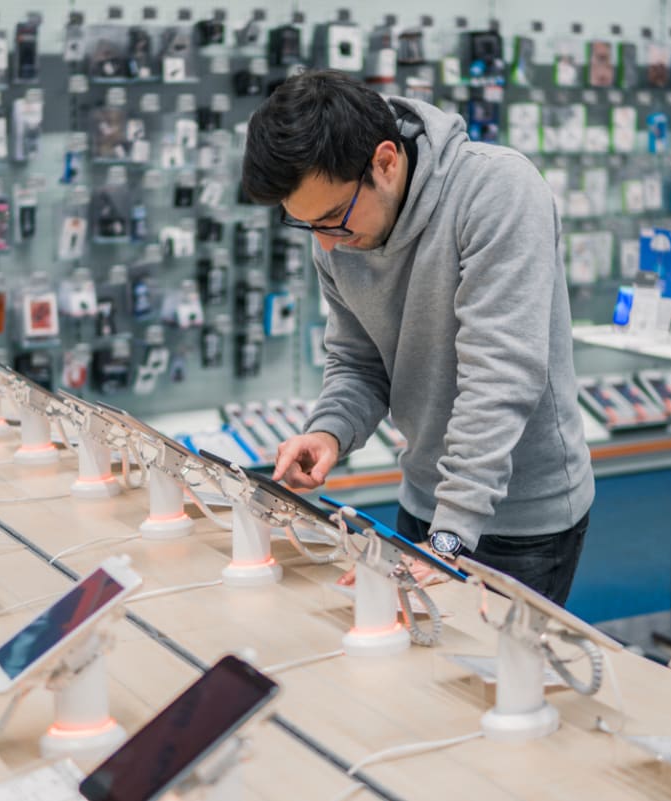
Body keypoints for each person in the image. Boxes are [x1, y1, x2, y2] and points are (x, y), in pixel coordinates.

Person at [241, 70, 594, 605]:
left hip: (521, 519)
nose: (326, 245)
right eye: (307, 225)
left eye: (332, 218)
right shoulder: (337, 234)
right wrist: (330, 431)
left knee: (502, 684)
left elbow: (500, 378)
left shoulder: (497, 190)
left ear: (385, 162)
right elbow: (359, 363)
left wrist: (448, 538)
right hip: (428, 503)